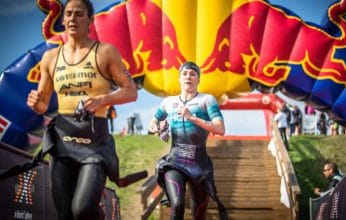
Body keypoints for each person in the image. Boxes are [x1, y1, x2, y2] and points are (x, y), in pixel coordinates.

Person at [26, 0, 138, 219]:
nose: (72, 19)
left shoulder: (105, 52)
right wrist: (35, 102)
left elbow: (131, 92)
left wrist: (103, 99)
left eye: (79, 14)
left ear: (90, 20)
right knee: (64, 214)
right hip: (63, 141)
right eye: (68, 14)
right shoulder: (50, 58)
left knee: (83, 209)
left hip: (95, 141)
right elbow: (42, 105)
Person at [148, 61, 228, 220]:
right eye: (184, 73)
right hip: (175, 159)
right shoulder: (168, 102)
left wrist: (192, 117)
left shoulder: (207, 100)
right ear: (179, 78)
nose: (188, 77)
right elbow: (152, 123)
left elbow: (220, 129)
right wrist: (157, 128)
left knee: (199, 214)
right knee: (177, 204)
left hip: (199, 162)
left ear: (198, 79)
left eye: (193, 74)